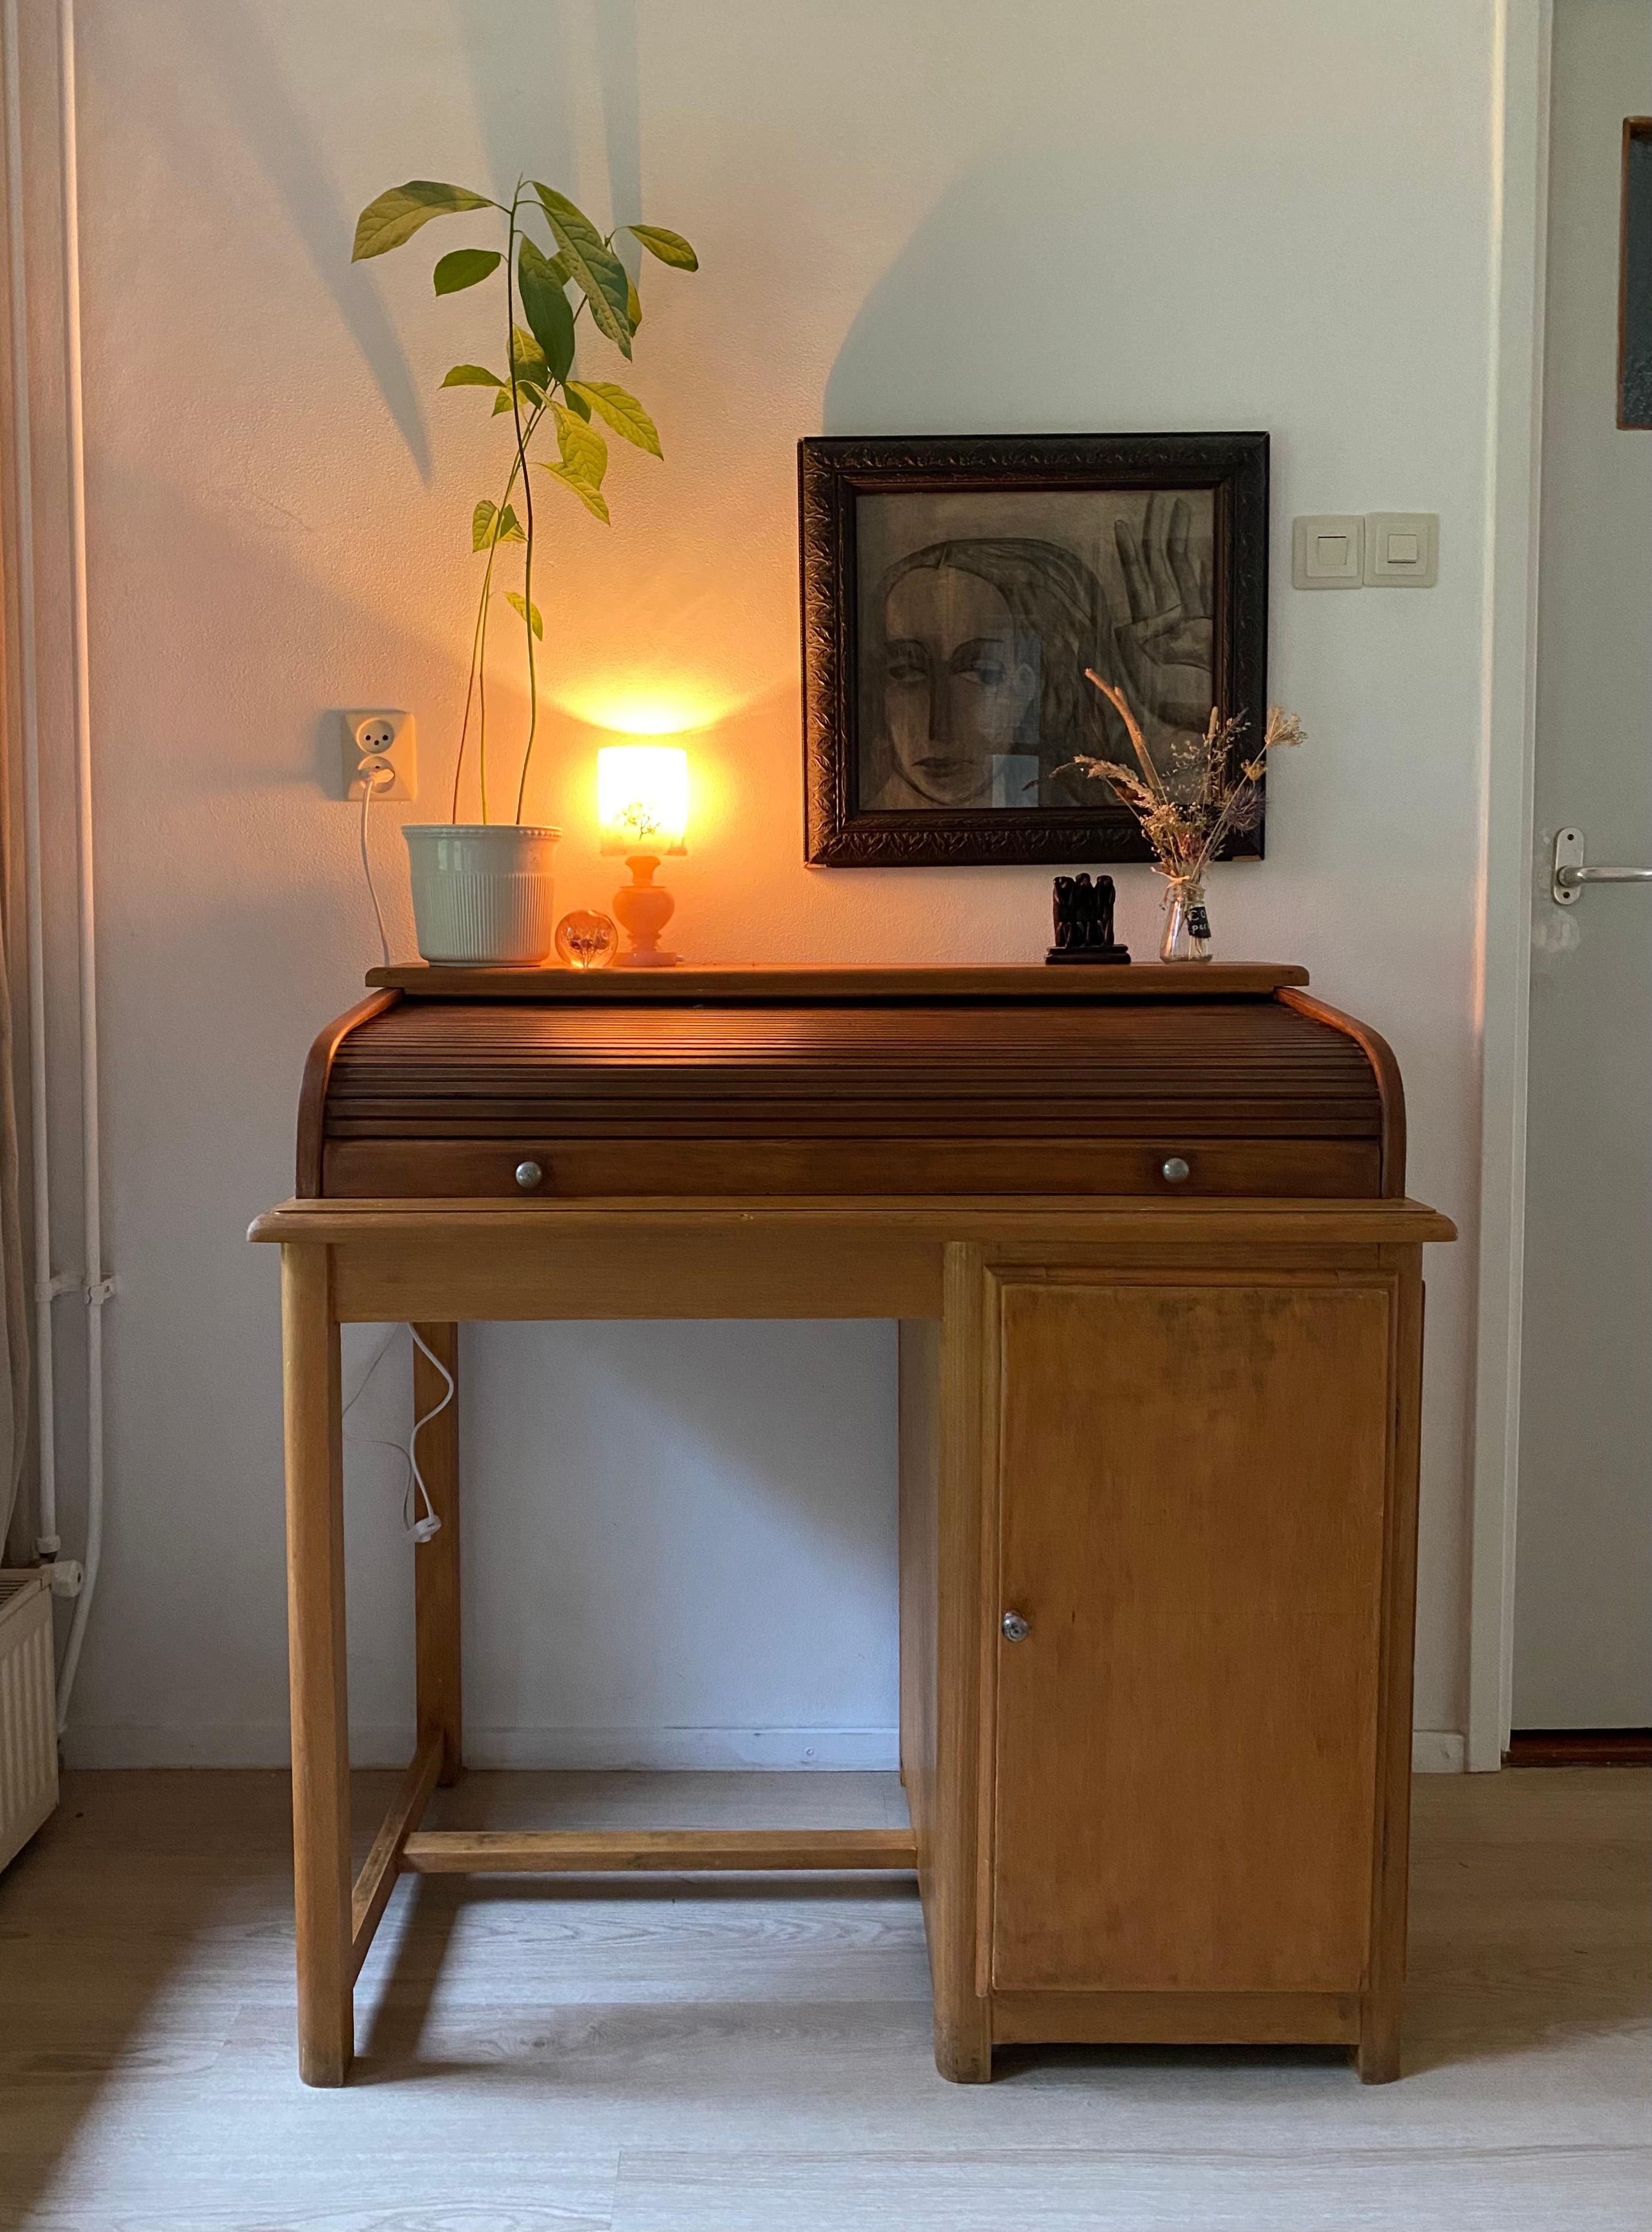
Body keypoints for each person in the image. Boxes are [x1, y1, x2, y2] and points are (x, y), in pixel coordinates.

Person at [860, 495, 1212, 813]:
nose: (941, 727)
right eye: (907, 671)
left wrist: (1182, 717)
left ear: (1028, 686)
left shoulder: (1069, 811)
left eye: (984, 674)